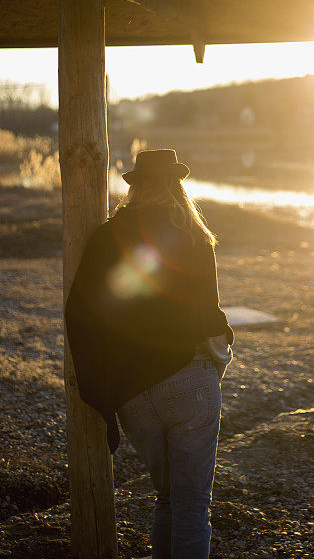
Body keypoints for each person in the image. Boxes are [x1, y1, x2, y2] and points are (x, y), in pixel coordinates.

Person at [65, 149, 234, 559]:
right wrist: (218, 360)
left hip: (134, 397)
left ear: (135, 187)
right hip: (191, 382)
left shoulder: (107, 236)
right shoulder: (195, 237)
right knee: (193, 503)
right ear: (177, 186)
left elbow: (80, 312)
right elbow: (209, 317)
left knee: (167, 498)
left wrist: (103, 391)